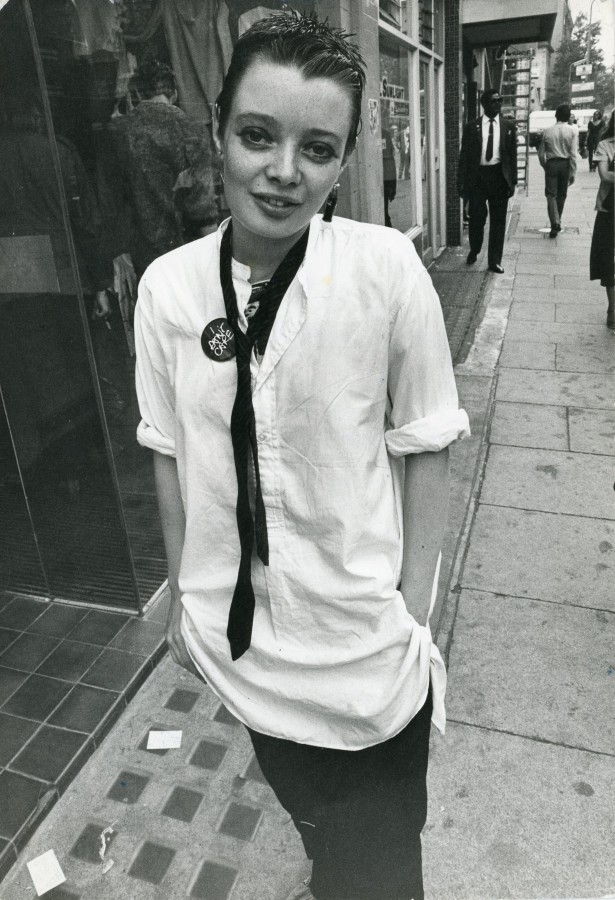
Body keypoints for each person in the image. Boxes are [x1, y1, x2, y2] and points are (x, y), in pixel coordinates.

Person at [134, 12, 469, 900]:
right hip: (242, 647)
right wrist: (182, 599)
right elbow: (169, 449)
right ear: (218, 131)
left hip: (363, 650)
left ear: (346, 156)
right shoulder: (169, 289)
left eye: (316, 149)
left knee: (383, 869)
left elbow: (426, 441)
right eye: (256, 135)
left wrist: (411, 615)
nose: (284, 172)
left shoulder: (384, 272)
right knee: (319, 829)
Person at [110, 59, 218, 280]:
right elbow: (202, 207)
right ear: (175, 94)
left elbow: (112, 203)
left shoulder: (117, 133)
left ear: (137, 94)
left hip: (142, 256)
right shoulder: (192, 130)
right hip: (187, 251)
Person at [457, 87, 517, 274]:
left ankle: (494, 261)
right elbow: (464, 157)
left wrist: (512, 181)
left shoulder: (508, 126)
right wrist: (461, 182)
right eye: (494, 101)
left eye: (500, 100)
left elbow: (512, 156)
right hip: (478, 178)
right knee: (476, 218)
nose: (498, 104)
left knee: (498, 222)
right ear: (484, 104)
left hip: (499, 177)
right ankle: (475, 249)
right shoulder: (471, 126)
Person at [589, 111, 614, 329]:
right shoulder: (606, 145)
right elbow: (605, 175)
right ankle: (613, 309)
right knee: (610, 260)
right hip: (610, 208)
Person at [538, 103, 578, 238]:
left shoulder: (547, 131)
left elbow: (540, 154)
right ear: (568, 116)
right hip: (565, 164)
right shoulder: (572, 131)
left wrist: (545, 165)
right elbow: (573, 153)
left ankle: (555, 222)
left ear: (556, 115)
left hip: (551, 163)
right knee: (562, 194)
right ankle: (557, 220)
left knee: (551, 195)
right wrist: (573, 172)